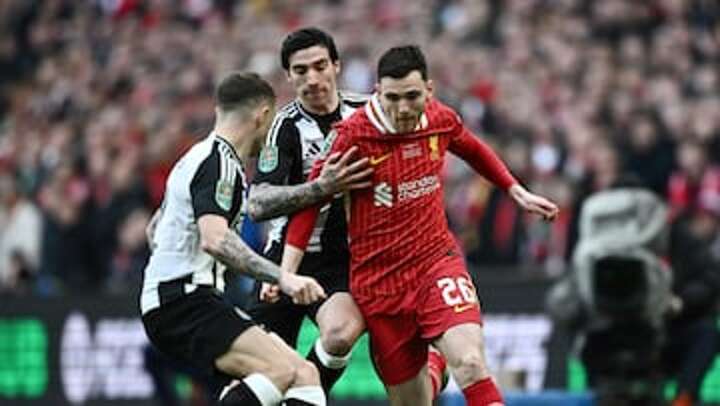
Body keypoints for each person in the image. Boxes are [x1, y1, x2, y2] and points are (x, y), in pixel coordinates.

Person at [281, 46, 559, 406]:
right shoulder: (352, 136)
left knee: (471, 363)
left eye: (411, 96)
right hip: (380, 284)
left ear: (429, 89)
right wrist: (286, 272)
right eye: (392, 98)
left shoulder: (440, 118)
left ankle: (445, 360)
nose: (402, 109)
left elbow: (471, 147)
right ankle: (434, 366)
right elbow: (310, 202)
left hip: (435, 264)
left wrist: (514, 189)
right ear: (378, 92)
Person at [246, 27, 448, 399]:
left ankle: (304, 397)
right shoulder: (284, 127)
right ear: (288, 76)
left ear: (336, 66)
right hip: (284, 257)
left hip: (346, 261)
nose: (312, 78)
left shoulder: (370, 112)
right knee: (260, 375)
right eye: (301, 70)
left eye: (320, 66)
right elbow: (257, 204)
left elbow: (426, 136)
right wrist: (320, 187)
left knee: (341, 333)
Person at [140, 71, 328, 406]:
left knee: (304, 374)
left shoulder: (194, 158)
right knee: (280, 371)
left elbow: (154, 230)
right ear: (263, 115)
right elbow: (215, 239)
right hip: (185, 302)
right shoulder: (219, 162)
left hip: (183, 301)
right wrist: (282, 277)